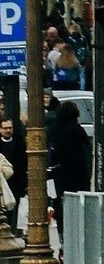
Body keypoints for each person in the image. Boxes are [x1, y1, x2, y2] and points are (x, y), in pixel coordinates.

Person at [49, 100, 92, 247]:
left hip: (58, 178)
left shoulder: (53, 130)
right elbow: (87, 150)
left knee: (62, 211)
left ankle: (63, 243)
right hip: (78, 177)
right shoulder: (77, 130)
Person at [0, 116, 27, 236]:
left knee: (15, 208)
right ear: (0, 129)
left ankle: (13, 230)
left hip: (17, 182)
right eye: (5, 128)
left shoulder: (19, 142)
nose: (8, 130)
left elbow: (24, 163)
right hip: (2, 181)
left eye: (10, 128)